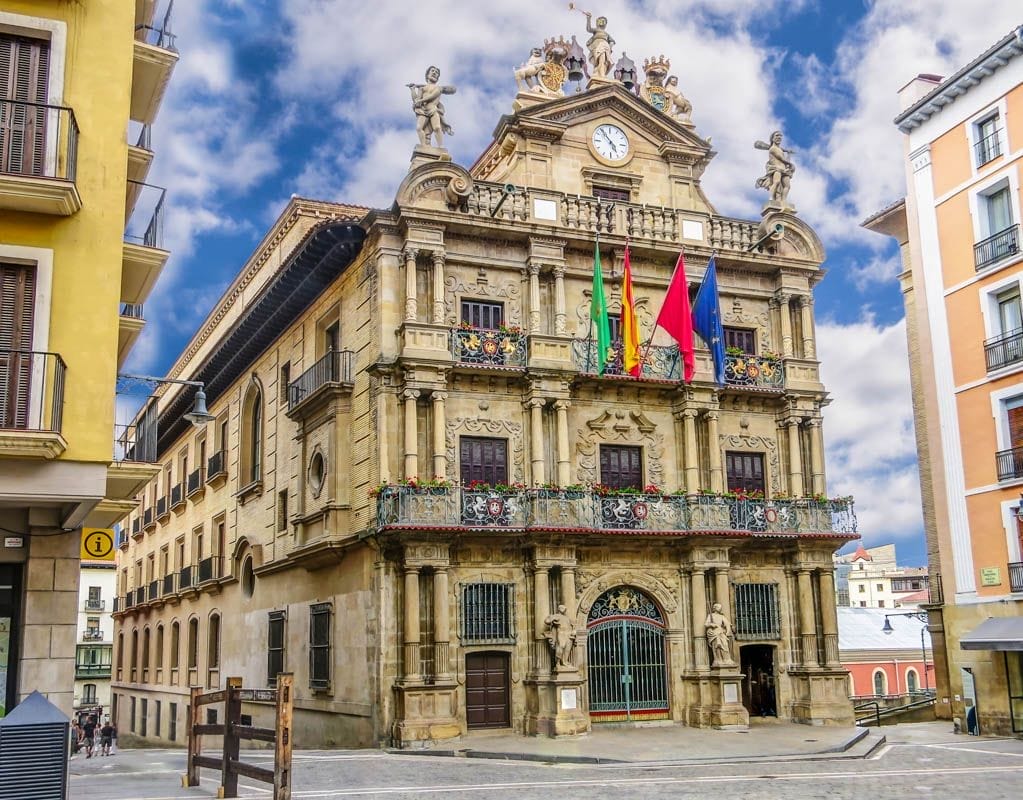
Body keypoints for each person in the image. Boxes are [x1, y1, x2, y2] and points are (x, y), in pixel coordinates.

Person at [407, 66, 456, 148]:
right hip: (423, 110)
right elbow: (416, 101)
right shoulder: (422, 88)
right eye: (432, 71)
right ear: (427, 75)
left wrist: (421, 100)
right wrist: (412, 90)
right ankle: (424, 146)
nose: (434, 73)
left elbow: (433, 96)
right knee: (419, 128)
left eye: (437, 73)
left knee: (437, 128)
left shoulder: (439, 88)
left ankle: (441, 147)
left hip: (433, 110)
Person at [755, 130, 795, 206]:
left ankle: (783, 201)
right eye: (777, 136)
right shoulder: (772, 148)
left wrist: (789, 154)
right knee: (776, 182)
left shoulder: (780, 149)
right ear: (772, 138)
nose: (779, 137)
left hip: (784, 170)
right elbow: (781, 158)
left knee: (787, 186)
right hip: (777, 168)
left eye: (780, 136)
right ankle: (771, 198)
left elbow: (785, 162)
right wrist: (790, 164)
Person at [582, 11, 614, 78]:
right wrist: (588, 19)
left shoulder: (606, 34)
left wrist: (610, 47)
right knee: (597, 60)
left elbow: (612, 41)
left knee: (603, 59)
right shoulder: (596, 30)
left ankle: (602, 73)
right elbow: (589, 29)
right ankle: (598, 73)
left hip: (604, 46)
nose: (602, 23)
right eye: (601, 21)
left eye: (604, 21)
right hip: (596, 46)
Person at [543, 604, 577, 668]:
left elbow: (573, 626)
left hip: (569, 634)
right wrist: (552, 619)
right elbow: (547, 621)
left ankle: (565, 662)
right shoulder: (556, 616)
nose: (564, 609)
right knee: (561, 647)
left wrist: (574, 631)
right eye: (562, 608)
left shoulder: (567, 618)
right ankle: (558, 663)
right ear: (559, 609)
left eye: (564, 608)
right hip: (561, 633)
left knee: (567, 649)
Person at [704, 602, 734, 667]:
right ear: (714, 608)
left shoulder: (722, 616)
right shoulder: (710, 615)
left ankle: (727, 659)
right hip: (714, 633)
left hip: (720, 632)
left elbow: (727, 624)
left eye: (720, 607)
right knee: (717, 647)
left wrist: (727, 632)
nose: (720, 608)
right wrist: (712, 624)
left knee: (725, 645)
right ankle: (718, 660)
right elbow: (706, 624)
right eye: (718, 607)